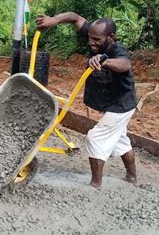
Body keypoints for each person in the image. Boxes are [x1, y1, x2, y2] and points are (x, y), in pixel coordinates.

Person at [36, 12, 137, 189]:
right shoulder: (95, 33)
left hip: (120, 105)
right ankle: (132, 177)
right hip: (112, 104)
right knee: (120, 141)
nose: (91, 42)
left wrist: (104, 61)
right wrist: (52, 21)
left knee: (95, 138)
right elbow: (74, 17)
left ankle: (95, 184)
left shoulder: (117, 50)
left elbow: (125, 65)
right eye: (90, 37)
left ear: (111, 37)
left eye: (96, 40)